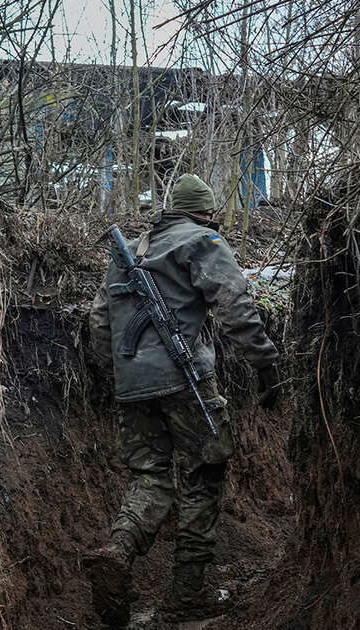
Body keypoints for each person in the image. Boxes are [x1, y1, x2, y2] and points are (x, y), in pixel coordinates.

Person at [84, 173, 280, 625]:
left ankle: (118, 550)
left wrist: (124, 374)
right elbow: (234, 304)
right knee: (203, 474)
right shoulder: (203, 240)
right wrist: (264, 362)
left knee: (150, 479)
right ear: (207, 212)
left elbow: (99, 322)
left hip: (131, 386)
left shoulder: (131, 249)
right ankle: (186, 594)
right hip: (185, 379)